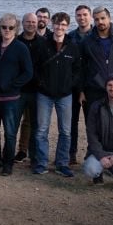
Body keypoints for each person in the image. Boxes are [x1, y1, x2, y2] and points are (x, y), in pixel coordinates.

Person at [0, 13, 33, 176]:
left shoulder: (21, 48)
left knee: (10, 132)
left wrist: (12, 86)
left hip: (11, 99)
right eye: (3, 27)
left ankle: (8, 163)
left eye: (10, 27)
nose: (7, 30)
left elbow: (28, 73)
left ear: (16, 29)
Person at [32, 12, 80, 177]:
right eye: (57, 24)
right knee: (41, 130)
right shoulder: (42, 44)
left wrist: (70, 84)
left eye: (63, 25)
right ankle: (41, 163)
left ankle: (62, 164)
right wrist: (40, 83)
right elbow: (35, 67)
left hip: (65, 95)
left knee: (65, 131)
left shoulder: (73, 46)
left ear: (67, 27)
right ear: (52, 24)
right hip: (44, 94)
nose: (60, 27)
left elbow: (77, 70)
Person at [79, 6, 113, 124]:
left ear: (109, 18)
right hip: (93, 91)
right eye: (97, 19)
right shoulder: (87, 42)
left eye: (103, 18)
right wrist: (81, 90)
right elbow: (81, 68)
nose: (100, 22)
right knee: (93, 126)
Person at [14, 12, 44, 165]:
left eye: (33, 22)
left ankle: (31, 153)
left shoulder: (43, 42)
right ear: (22, 23)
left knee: (32, 123)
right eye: (28, 22)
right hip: (18, 89)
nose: (31, 24)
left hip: (36, 89)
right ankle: (18, 151)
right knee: (14, 121)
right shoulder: (16, 41)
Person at [68, 4, 93, 165]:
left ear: (90, 16)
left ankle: (92, 153)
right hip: (73, 85)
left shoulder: (97, 35)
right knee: (71, 122)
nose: (81, 17)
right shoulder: (70, 36)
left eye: (84, 15)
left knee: (91, 122)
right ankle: (71, 154)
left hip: (91, 85)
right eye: (78, 15)